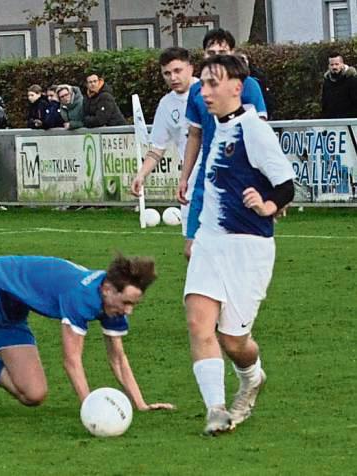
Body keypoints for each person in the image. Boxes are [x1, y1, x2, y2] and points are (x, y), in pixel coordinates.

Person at [0, 255, 175, 430]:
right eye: (127, 303)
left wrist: (141, 404)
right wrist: (91, 409)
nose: (129, 311)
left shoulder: (113, 306)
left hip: (12, 308)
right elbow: (72, 361)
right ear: (108, 289)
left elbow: (117, 358)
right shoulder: (83, 296)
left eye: (134, 304)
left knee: (33, 393)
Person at [184, 54, 294, 435]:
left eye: (212, 83)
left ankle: (252, 377)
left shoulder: (254, 129)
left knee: (235, 341)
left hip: (248, 248)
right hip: (211, 243)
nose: (204, 91)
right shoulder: (218, 129)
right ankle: (215, 409)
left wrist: (266, 205)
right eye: (202, 84)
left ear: (237, 86)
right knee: (199, 322)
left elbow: (286, 185)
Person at [176, 29, 267, 259]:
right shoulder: (197, 90)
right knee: (192, 249)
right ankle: (210, 293)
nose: (216, 56)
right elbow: (194, 135)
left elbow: (260, 134)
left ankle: (226, 294)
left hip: (239, 178)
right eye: (211, 52)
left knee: (235, 250)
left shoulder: (248, 86)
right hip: (206, 178)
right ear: (204, 55)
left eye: (222, 52)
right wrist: (185, 176)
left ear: (233, 54)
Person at [131, 47, 198, 244]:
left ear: (191, 69)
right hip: (191, 183)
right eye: (167, 73)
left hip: (220, 177)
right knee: (191, 247)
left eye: (178, 71)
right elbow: (157, 148)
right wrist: (141, 175)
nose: (173, 77)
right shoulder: (166, 104)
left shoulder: (208, 93)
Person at [321, 51, 357, 119]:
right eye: (332, 65)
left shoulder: (352, 80)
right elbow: (324, 104)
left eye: (337, 64)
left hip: (350, 122)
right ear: (328, 66)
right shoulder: (327, 82)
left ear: (342, 64)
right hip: (331, 123)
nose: (334, 67)